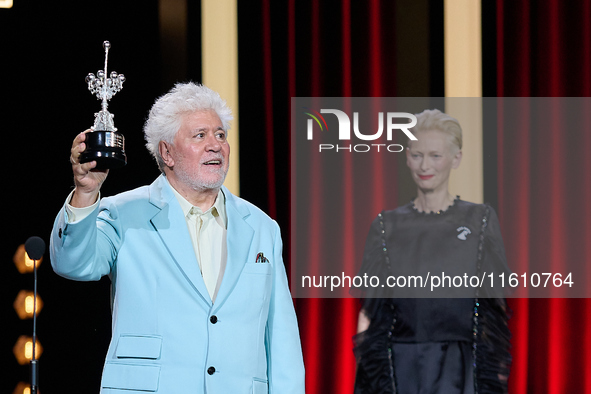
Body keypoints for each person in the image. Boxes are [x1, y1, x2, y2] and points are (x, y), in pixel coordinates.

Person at [50, 82, 305, 393]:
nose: (216, 146)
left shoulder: (263, 228)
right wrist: (86, 193)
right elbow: (72, 264)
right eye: (200, 135)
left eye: (220, 135)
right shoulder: (123, 213)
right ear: (166, 152)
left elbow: (282, 342)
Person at [353, 109, 511, 394]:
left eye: (435, 155)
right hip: (400, 366)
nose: (425, 165)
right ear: (407, 157)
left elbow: (493, 311)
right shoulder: (387, 225)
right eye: (417, 154)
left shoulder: (480, 220)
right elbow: (370, 311)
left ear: (456, 158)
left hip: (462, 368)